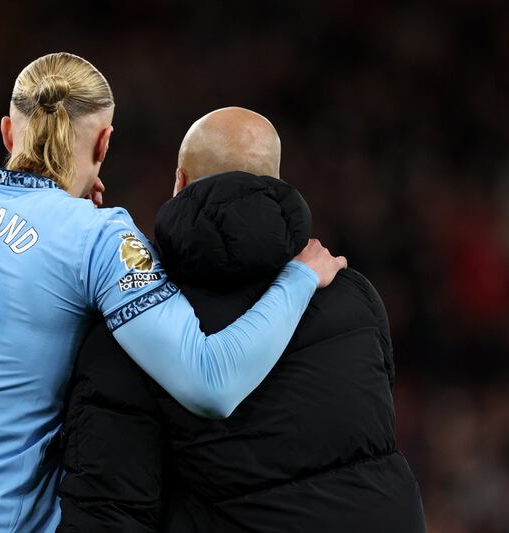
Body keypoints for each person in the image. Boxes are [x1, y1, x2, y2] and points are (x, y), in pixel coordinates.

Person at [0, 55, 346, 532]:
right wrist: (298, 279)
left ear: (8, 131)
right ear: (104, 144)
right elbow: (211, 382)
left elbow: (9, 276)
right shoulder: (98, 237)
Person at [58, 107, 426, 532]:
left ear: (179, 182)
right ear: (276, 186)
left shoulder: (135, 326)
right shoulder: (353, 297)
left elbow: (110, 509)